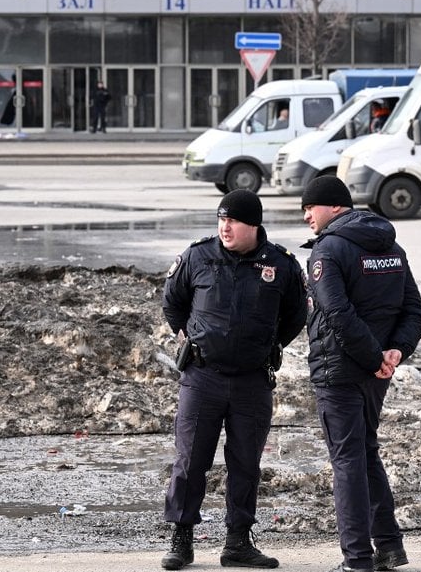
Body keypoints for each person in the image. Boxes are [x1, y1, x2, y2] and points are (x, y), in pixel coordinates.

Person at [161, 190, 308, 571]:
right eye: (221, 219)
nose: (225, 227)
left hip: (252, 382)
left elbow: (295, 315)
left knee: (245, 464)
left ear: (254, 225)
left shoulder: (281, 264)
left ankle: (238, 542)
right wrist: (190, 337)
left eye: (234, 221)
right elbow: (172, 302)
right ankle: (182, 538)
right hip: (202, 376)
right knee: (190, 461)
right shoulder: (198, 256)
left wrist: (267, 345)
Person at [299, 176, 421, 572]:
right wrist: (394, 352)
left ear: (334, 207)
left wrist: (375, 356)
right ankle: (389, 546)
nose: (306, 216)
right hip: (376, 372)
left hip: (341, 370)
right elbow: (415, 313)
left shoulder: (328, 251)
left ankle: (356, 559)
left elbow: (337, 313)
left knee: (348, 461)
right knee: (365, 451)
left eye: (310, 207)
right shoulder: (391, 247)